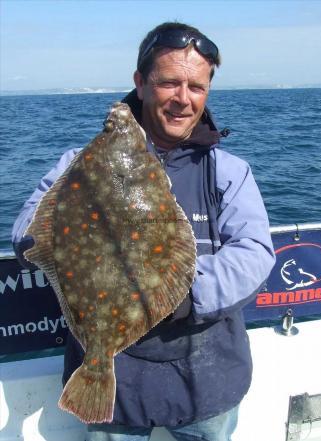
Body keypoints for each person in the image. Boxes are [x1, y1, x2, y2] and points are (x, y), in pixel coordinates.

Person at [12, 22, 275, 441]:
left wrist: (182, 296)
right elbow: (27, 232)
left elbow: (255, 252)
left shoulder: (228, 171)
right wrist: (62, 233)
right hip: (117, 387)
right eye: (169, 82)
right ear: (140, 82)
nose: (183, 99)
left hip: (207, 380)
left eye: (197, 87)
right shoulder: (78, 165)